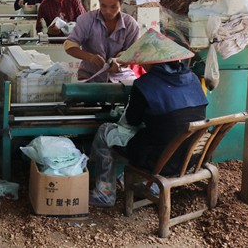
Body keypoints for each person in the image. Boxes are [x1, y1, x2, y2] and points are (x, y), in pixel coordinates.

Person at [88, 29, 208, 207]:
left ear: (151, 62)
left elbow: (132, 122)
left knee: (106, 132)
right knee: (160, 131)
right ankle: (131, 181)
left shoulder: (144, 84)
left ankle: (105, 193)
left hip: (160, 160)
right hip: (191, 156)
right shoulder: (192, 78)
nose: (142, 66)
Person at [64, 0, 139, 82]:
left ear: (121, 4)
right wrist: (90, 57)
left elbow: (134, 53)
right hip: (90, 76)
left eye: (113, 7)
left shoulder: (131, 24)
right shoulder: (86, 20)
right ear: (99, 2)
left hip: (121, 76)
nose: (107, 11)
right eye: (103, 6)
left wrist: (119, 61)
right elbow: (69, 46)